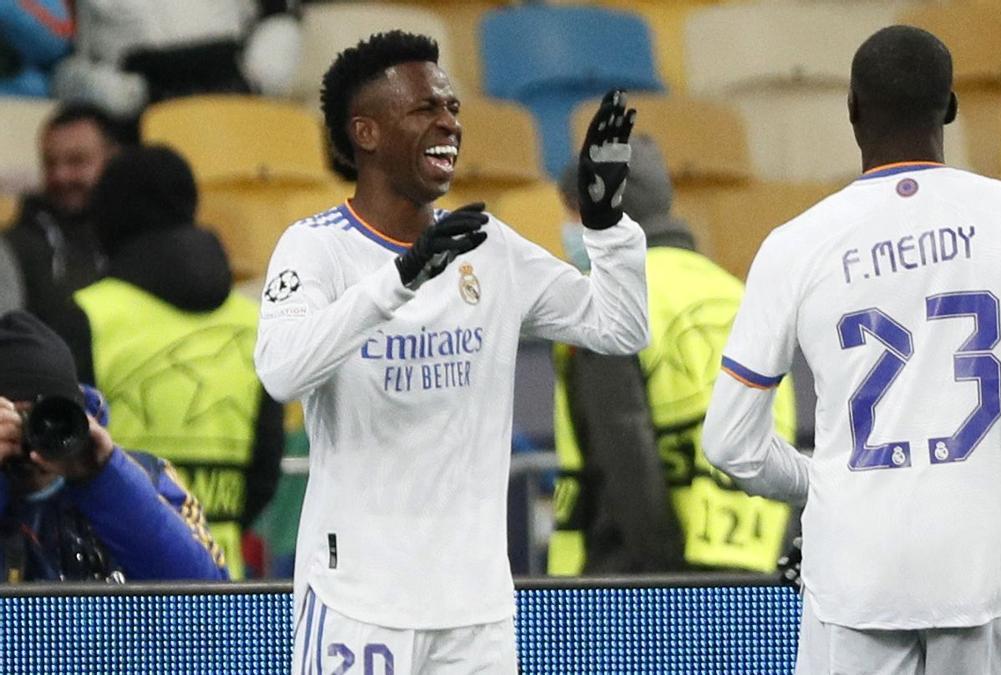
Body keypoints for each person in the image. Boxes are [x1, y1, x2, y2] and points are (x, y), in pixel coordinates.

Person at [702, 26, 1001, 674]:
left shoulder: (795, 244)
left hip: (854, 576)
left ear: (852, 109)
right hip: (984, 570)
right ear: (949, 107)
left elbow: (728, 442)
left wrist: (818, 484)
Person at [253, 31, 647, 673]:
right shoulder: (314, 247)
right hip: (359, 601)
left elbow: (619, 327)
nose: (448, 123)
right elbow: (281, 371)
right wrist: (400, 279)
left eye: (453, 107)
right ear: (367, 133)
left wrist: (607, 229)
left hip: (475, 613)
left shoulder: (487, 245)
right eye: (424, 109)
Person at [547, 134, 797, 576]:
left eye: (572, 213)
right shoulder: (739, 294)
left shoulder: (609, 301)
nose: (567, 230)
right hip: (754, 565)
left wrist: (665, 576)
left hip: (642, 584)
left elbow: (624, 451)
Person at [47, 145, 283, 580]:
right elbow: (267, 467)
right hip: (221, 583)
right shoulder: (254, 320)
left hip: (115, 584)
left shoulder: (88, 315)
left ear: (109, 217)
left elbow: (61, 450)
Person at [0, 310, 228, 582]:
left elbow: (208, 597)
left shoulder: (149, 476)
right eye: (12, 419)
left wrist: (108, 478)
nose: (32, 435)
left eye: (45, 417)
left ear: (79, 413)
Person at [53, 0, 300, 121]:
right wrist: (118, 93)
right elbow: (72, 65)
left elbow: (281, 22)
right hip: (139, 104)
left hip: (232, 90)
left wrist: (254, 78)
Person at [4, 103, 119, 322]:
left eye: (77, 161)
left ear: (113, 158)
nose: (60, 176)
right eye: (50, 163)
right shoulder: (15, 248)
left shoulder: (138, 238)